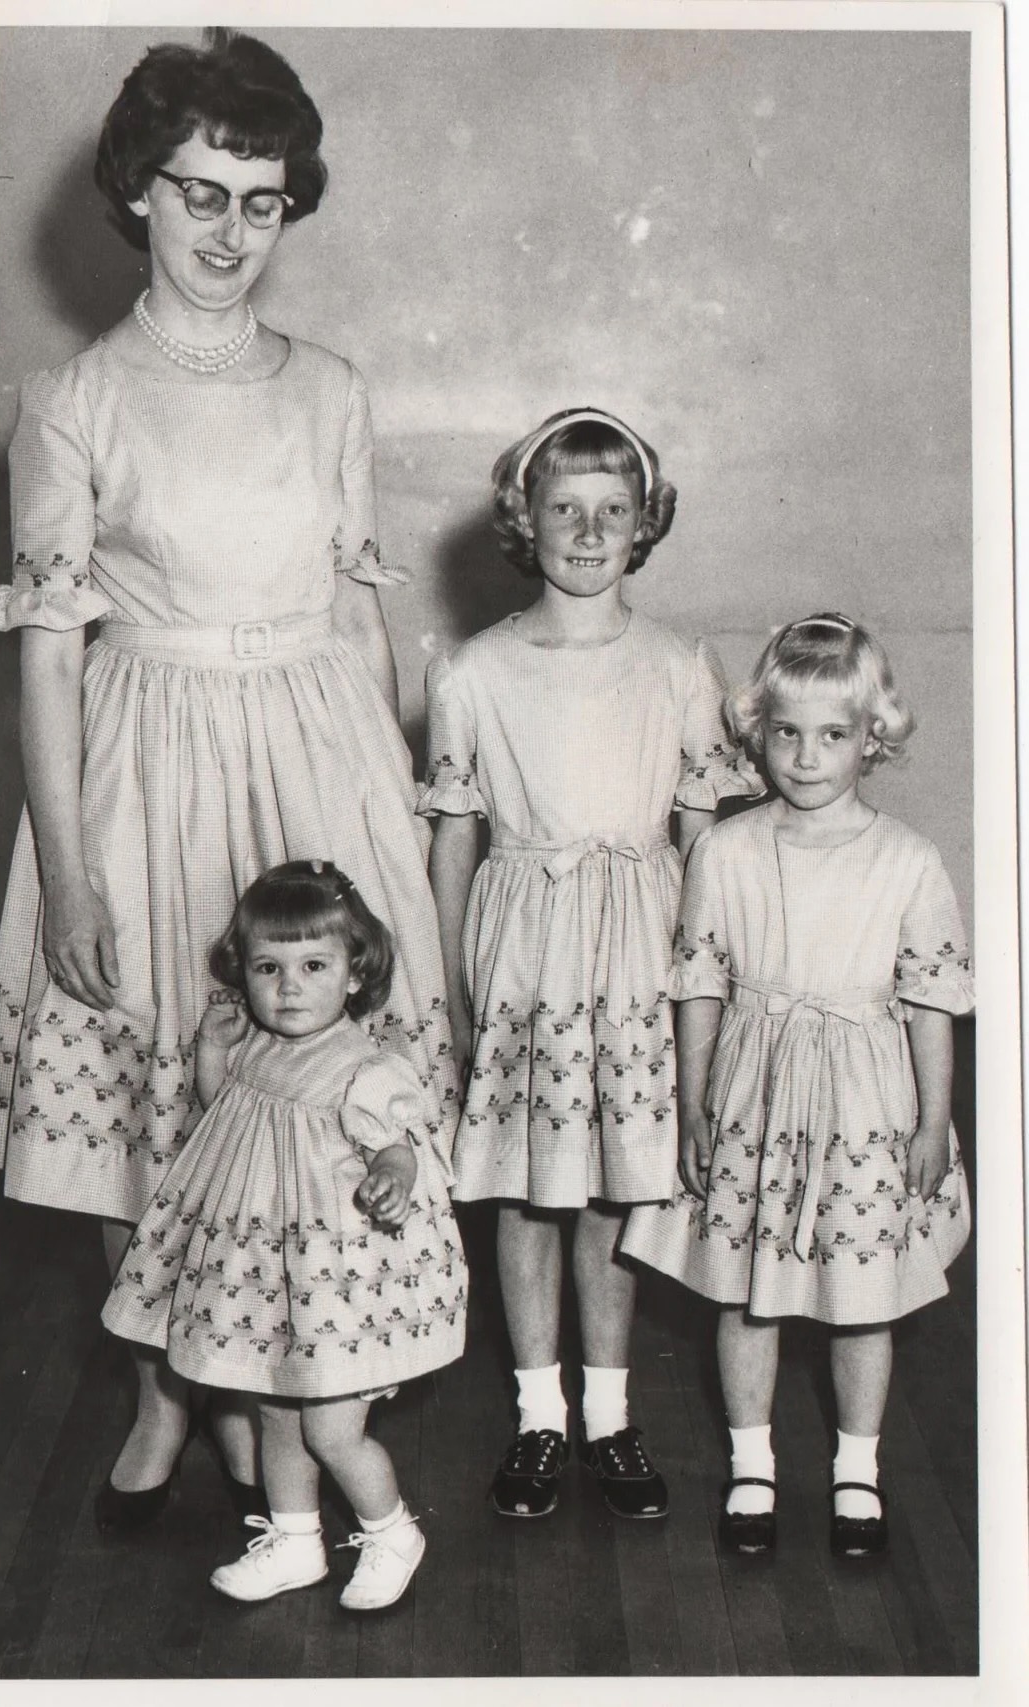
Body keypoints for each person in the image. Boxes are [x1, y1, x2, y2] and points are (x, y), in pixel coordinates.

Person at [0, 29, 458, 1534]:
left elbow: (360, 617)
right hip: (150, 760)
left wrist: (388, 804)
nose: (229, 230)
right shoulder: (72, 399)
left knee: (311, 1096)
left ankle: (293, 1384)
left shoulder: (330, 389)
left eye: (260, 201)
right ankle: (165, 1387)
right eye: (200, 193)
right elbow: (49, 657)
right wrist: (71, 873)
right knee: (155, 1096)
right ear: (140, 191)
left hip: (316, 750)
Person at [420, 408, 763, 1520]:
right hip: (524, 951)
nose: (587, 531)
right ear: (523, 519)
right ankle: (538, 1416)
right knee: (527, 1191)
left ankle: (609, 1416)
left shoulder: (679, 665)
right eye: (564, 508)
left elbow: (704, 843)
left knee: (615, 1185)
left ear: (644, 524)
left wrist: (720, 982)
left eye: (613, 510)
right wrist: (450, 988)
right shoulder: (474, 670)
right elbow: (455, 840)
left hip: (640, 952)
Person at [622, 614, 973, 1558]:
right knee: (748, 1292)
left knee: (865, 1296)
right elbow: (699, 985)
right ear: (758, 731)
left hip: (865, 1101)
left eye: (833, 734)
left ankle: (858, 1469)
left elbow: (931, 1003)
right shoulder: (725, 851)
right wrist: (694, 1105)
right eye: (786, 731)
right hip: (757, 1093)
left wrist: (933, 1121)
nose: (807, 756)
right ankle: (752, 1464)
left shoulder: (908, 857)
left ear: (874, 737)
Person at [101, 861, 466, 1609]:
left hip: (337, 1287)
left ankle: (393, 1531)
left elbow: (402, 1145)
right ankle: (297, 1541)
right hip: (273, 1278)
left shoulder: (367, 1068)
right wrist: (211, 1051)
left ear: (356, 974)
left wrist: (391, 1175)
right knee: (275, 1409)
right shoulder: (259, 1048)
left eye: (313, 967)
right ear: (244, 969)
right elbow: (225, 1115)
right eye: (269, 967)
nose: (289, 987)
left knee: (332, 1429)